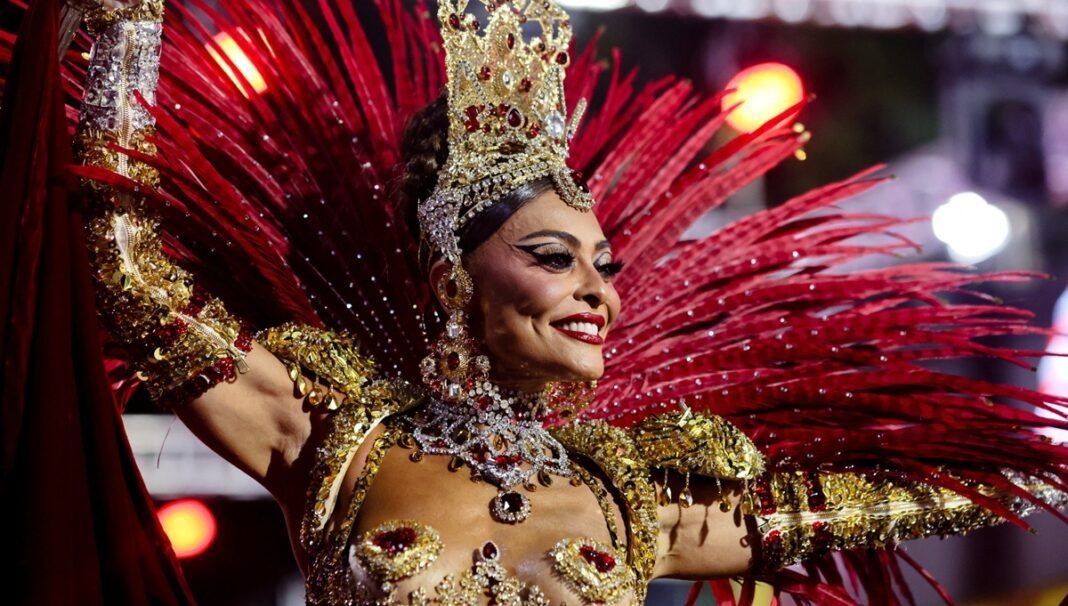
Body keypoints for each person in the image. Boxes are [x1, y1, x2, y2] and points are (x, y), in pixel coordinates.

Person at [2, 0, 1065, 604]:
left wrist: (1045, 465)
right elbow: (130, 280)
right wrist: (123, 27)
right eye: (555, 258)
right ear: (452, 283)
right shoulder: (340, 436)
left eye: (605, 263)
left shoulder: (627, 494)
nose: (599, 290)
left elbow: (872, 505)